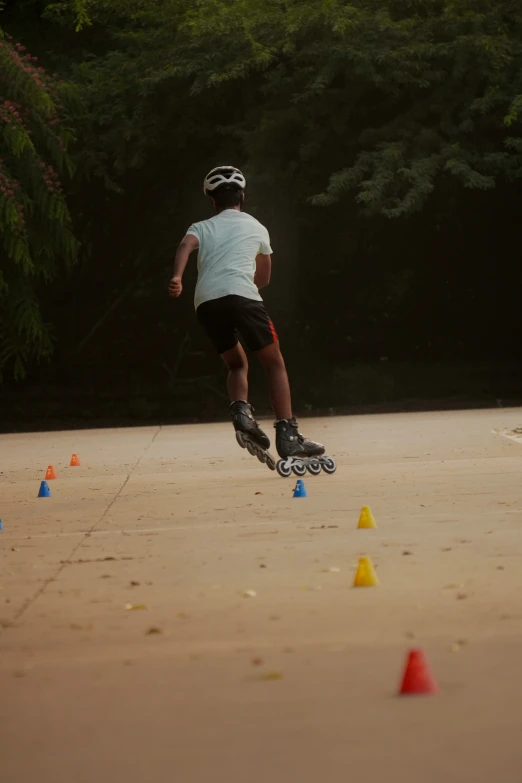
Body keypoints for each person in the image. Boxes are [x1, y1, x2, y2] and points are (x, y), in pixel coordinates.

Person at [168, 165, 326, 466]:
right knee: (274, 364)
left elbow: (185, 245)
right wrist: (244, 288)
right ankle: (288, 435)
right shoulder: (257, 226)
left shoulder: (200, 227)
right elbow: (263, 278)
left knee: (236, 362)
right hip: (244, 298)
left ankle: (241, 412)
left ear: (212, 201)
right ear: (242, 196)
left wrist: (177, 276)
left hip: (206, 303)